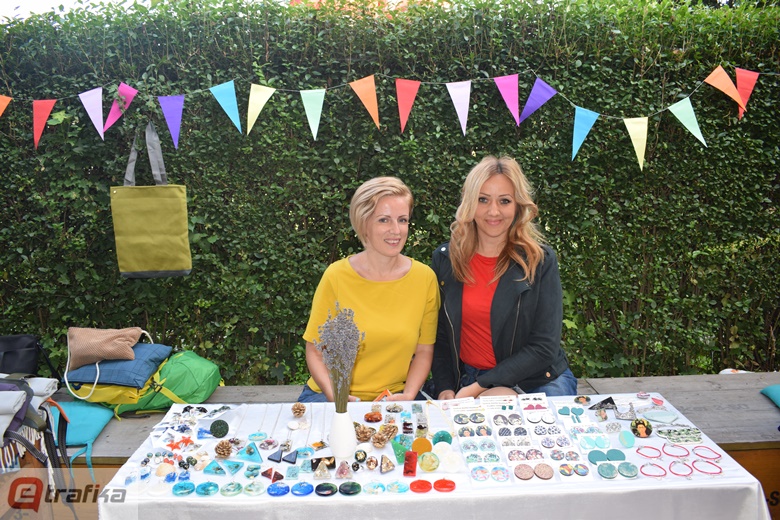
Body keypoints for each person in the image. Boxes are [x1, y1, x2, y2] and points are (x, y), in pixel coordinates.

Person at [431, 155, 578, 400]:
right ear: (469, 203)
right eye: (483, 199)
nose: (493, 211)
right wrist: (445, 387)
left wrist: (479, 388)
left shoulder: (540, 261)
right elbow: (440, 336)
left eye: (505, 201)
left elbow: (544, 347)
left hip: (537, 379)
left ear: (518, 206)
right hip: (467, 379)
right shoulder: (446, 259)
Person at [297, 177, 440, 403]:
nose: (396, 230)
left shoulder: (425, 279)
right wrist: (337, 396)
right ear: (363, 224)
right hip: (330, 396)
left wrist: (408, 395)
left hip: (394, 399)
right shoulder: (336, 276)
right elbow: (315, 350)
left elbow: (424, 350)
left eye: (402, 220)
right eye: (384, 220)